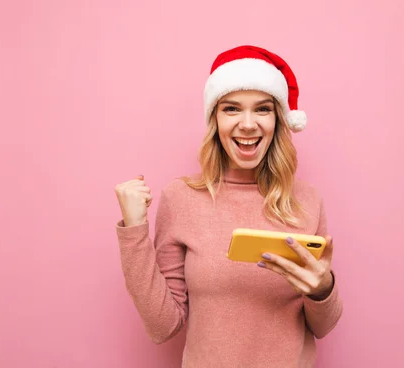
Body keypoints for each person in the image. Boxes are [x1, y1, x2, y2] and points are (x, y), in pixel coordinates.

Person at [114, 45, 343, 367]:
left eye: (262, 109)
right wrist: (134, 230)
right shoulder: (180, 198)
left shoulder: (307, 200)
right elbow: (163, 326)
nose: (248, 124)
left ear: (278, 119)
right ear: (215, 119)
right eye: (231, 109)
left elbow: (323, 325)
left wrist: (323, 289)